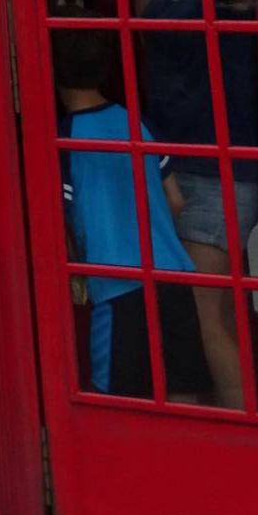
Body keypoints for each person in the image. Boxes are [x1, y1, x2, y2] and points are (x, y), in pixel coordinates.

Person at [134, 0, 258, 409]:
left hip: (217, 165)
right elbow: (149, 24)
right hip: (178, 156)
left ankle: (249, 436)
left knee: (205, 315)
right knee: (216, 314)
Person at [56, 24, 210, 401]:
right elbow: (174, 199)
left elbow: (66, 221)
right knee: (183, 389)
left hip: (115, 282)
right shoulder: (133, 120)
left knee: (118, 397)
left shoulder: (65, 137)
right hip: (171, 272)